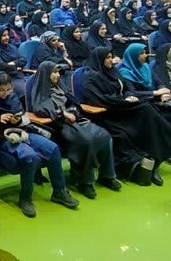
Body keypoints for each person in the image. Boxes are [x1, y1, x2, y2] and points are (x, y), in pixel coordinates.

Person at [83, 47, 171, 186]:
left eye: (111, 57)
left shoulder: (113, 71)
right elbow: (98, 99)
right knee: (145, 110)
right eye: (108, 58)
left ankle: (155, 161)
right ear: (100, 59)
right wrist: (124, 100)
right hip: (109, 113)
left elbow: (127, 89)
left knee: (148, 114)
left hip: (123, 108)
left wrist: (129, 96)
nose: (112, 60)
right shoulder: (90, 77)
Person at [0, 72, 81, 215]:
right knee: (29, 156)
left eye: (8, 89)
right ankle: (25, 198)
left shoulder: (12, 97)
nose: (5, 93)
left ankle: (59, 191)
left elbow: (25, 118)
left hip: (23, 132)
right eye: (1, 90)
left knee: (53, 149)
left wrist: (18, 120)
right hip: (3, 138)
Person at [28, 61, 121, 198]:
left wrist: (73, 112)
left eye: (58, 72)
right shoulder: (41, 90)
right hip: (57, 126)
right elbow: (40, 109)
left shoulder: (60, 87)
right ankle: (84, 181)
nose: (58, 75)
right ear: (46, 74)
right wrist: (62, 114)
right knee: (86, 141)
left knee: (105, 135)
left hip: (75, 121)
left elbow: (74, 103)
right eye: (54, 72)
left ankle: (107, 176)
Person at [0, 27, 28, 98]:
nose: (7, 37)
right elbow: (0, 66)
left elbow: (24, 60)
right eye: (3, 35)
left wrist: (14, 63)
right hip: (6, 79)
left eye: (8, 35)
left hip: (19, 75)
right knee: (25, 91)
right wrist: (16, 67)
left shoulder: (11, 47)